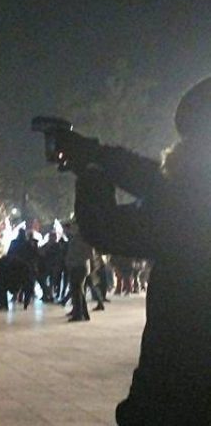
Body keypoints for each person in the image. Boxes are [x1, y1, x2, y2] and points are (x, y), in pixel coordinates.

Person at [63, 77, 211, 424]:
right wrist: (102, 155)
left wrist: (92, 170)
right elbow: (159, 183)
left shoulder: (189, 205)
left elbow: (107, 227)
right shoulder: (189, 197)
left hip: (180, 388)